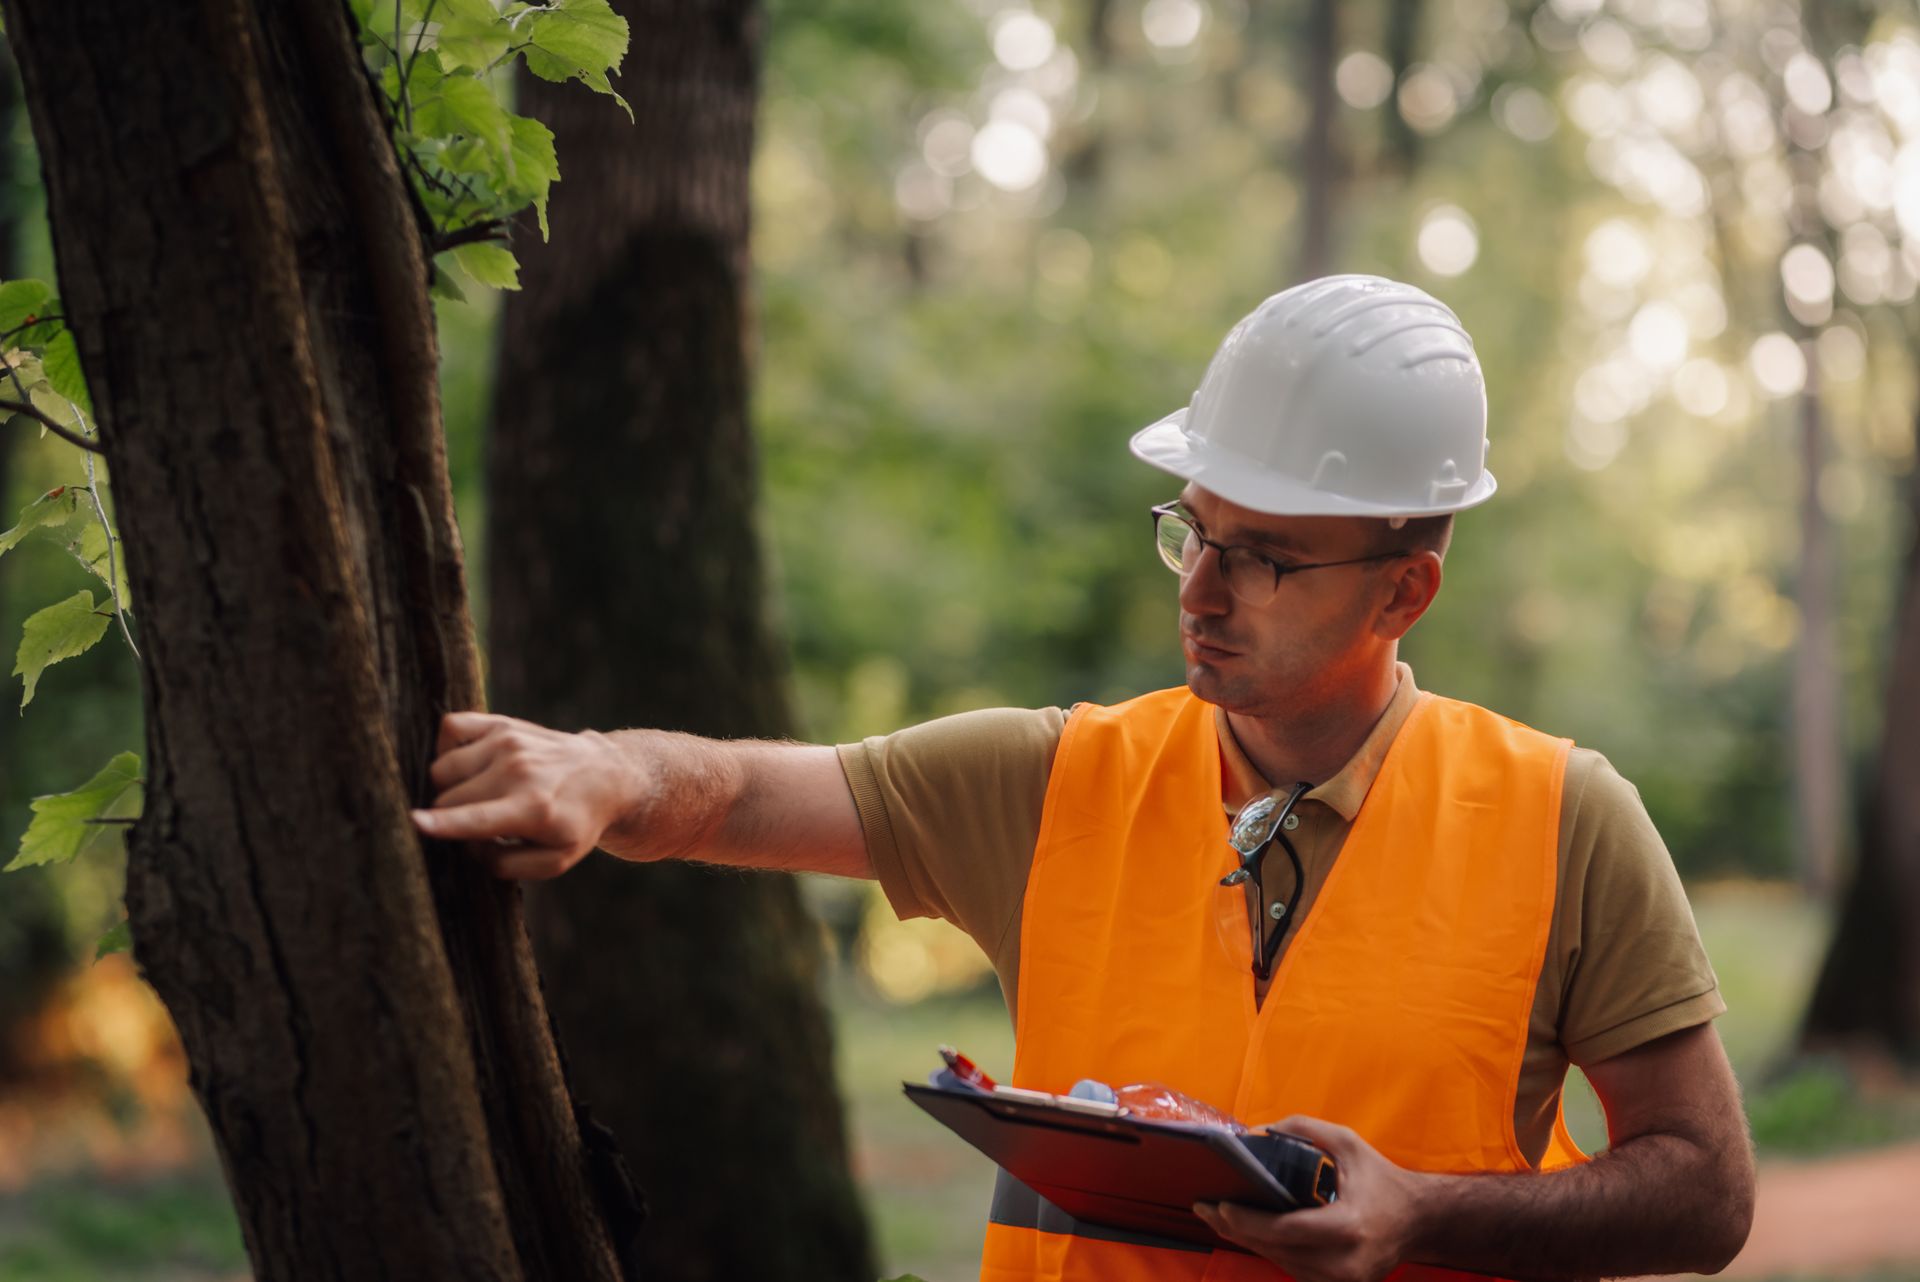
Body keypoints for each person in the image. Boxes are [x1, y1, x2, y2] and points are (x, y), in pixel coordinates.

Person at [410, 275, 1755, 1282]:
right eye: (1194, 531)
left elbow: (1705, 1193)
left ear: (1407, 588)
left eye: (1268, 554)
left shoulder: (1566, 819)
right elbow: (733, 793)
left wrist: (1424, 1209)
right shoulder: (1055, 780)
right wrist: (596, 768)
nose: (1204, 589)